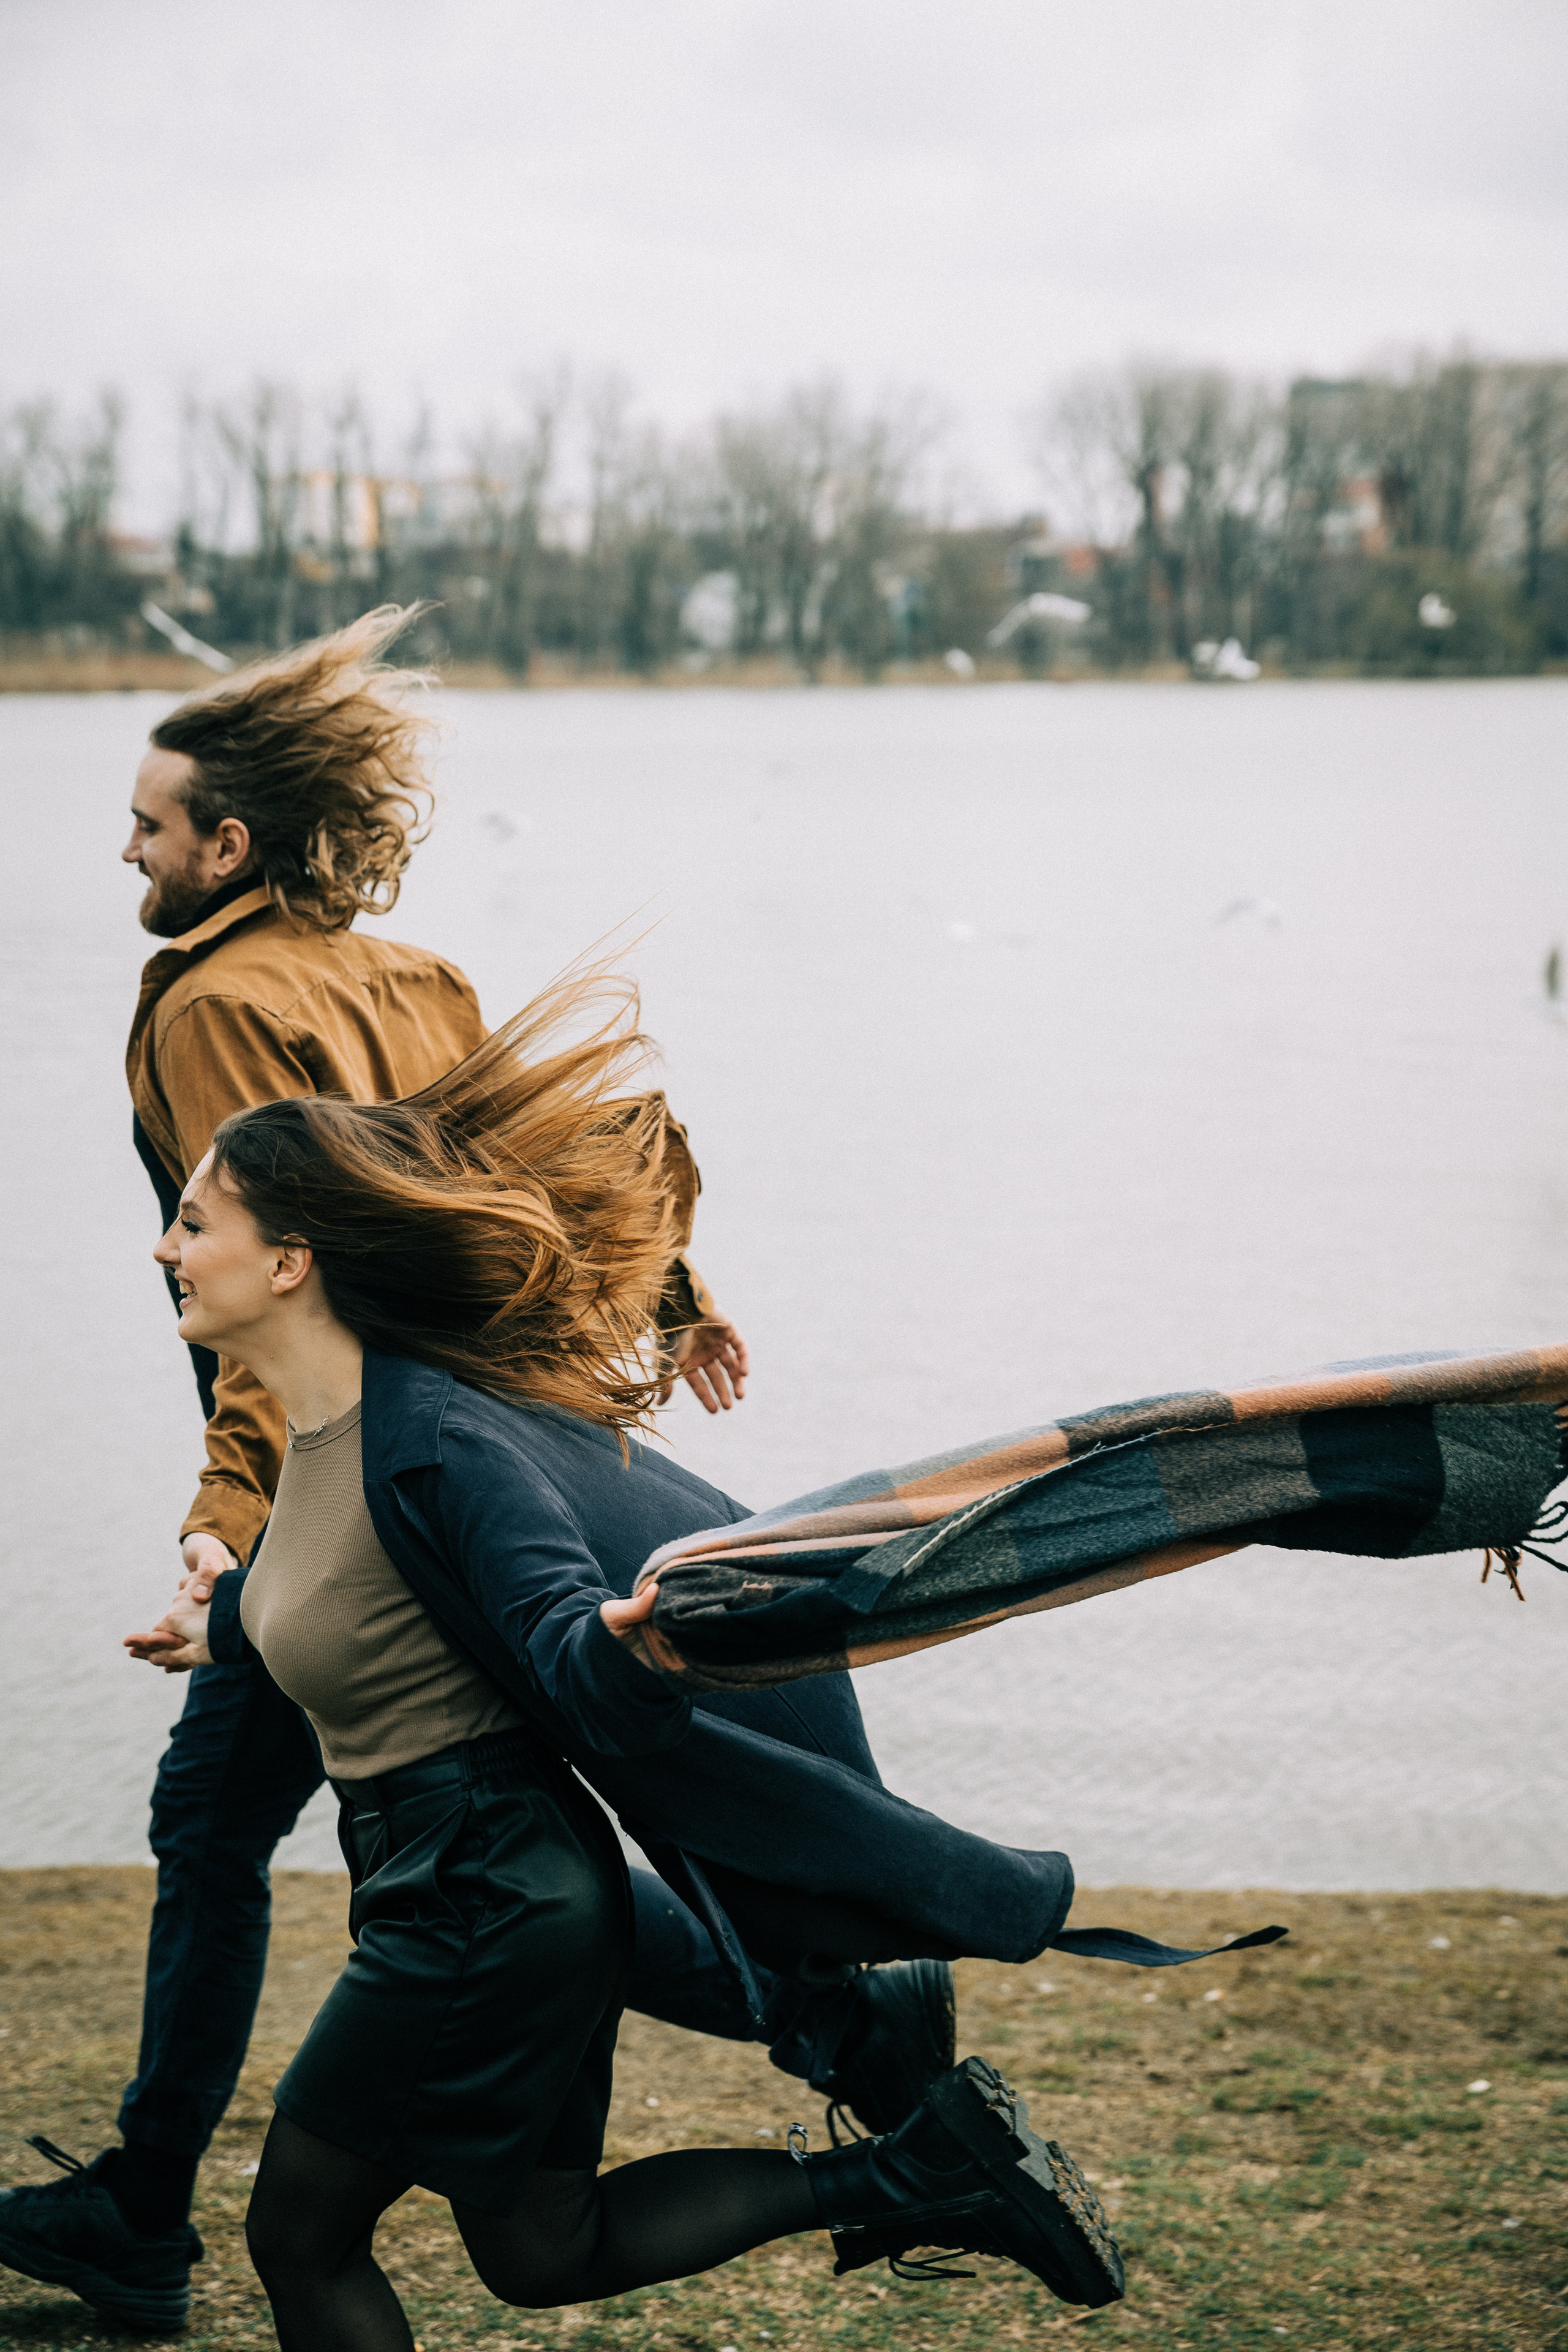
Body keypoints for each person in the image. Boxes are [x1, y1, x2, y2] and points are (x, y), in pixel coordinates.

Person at [2, 612, 959, 2338]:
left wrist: (224, 1526)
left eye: (147, 825)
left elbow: (280, 1287)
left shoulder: (217, 1008)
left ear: (231, 842)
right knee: (475, 1821)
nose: (125, 852)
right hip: (493, 1453)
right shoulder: (417, 978)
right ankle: (837, 2012)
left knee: (228, 1827)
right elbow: (529, 1173)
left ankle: (147, 2212)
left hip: (359, 1483)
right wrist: (678, 1293)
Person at [123, 973, 1125, 2346]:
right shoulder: (334, 1422)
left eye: (194, 1222)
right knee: (541, 2250)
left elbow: (561, 1643)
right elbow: (366, 1596)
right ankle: (922, 2172)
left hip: (481, 1895)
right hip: (487, 1887)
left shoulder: (441, 1440)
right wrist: (224, 1621)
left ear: (290, 1260)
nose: (167, 1247)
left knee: (299, 2240)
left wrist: (634, 1648)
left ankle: (907, 2148)